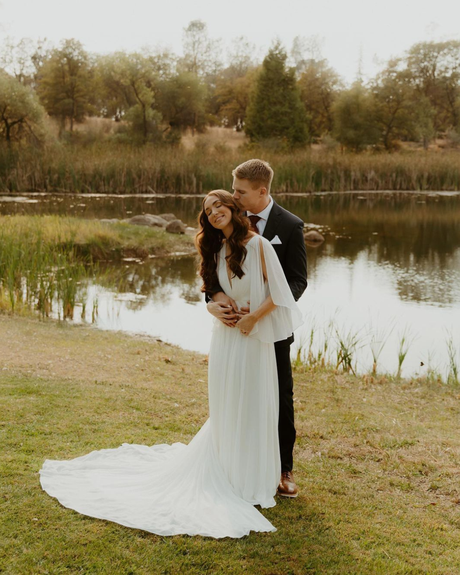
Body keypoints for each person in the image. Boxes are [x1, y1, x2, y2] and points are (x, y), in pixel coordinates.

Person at [39, 190, 302, 539]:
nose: (213, 213)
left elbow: (281, 294)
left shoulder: (258, 245)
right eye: (208, 211)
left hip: (253, 338)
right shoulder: (214, 248)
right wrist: (216, 305)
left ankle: (252, 476)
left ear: (233, 208)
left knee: (254, 404)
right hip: (225, 337)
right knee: (227, 404)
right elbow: (213, 287)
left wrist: (253, 318)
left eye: (219, 206)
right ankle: (228, 472)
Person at [207, 159, 307, 498]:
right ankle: (237, 460)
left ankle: (283, 469)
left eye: (240, 191)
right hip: (233, 330)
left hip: (272, 328)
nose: (234, 195)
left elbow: (296, 281)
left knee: (279, 395)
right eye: (233, 189)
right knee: (237, 391)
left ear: (261, 191)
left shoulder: (289, 226)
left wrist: (262, 312)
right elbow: (213, 276)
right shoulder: (225, 227)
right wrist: (215, 301)